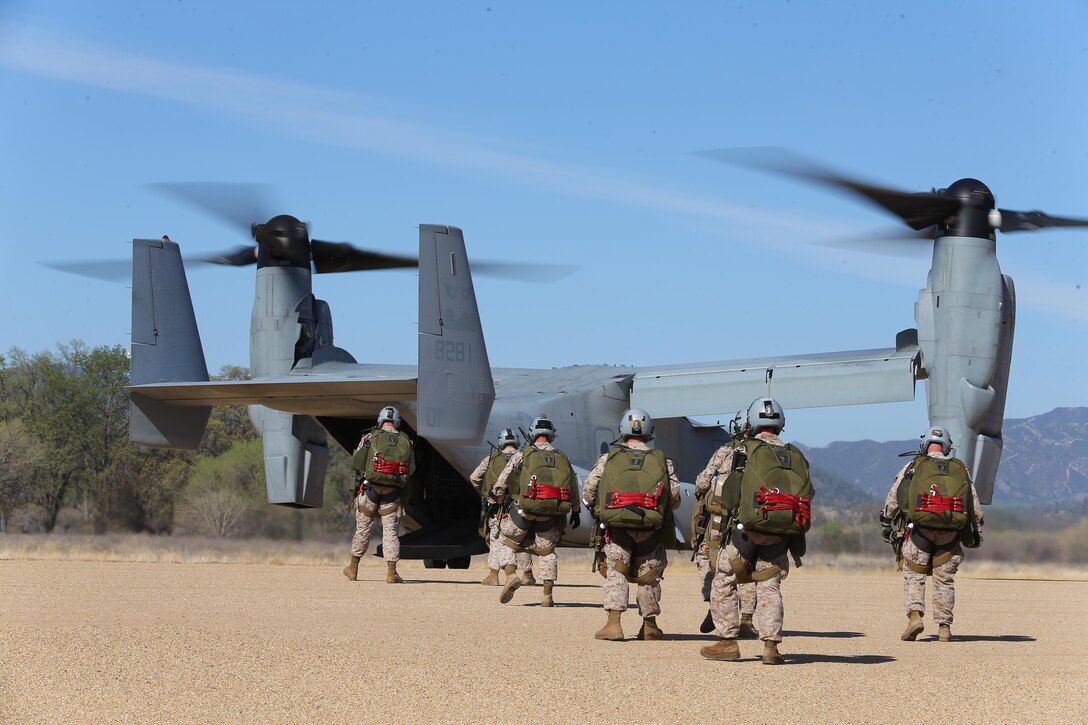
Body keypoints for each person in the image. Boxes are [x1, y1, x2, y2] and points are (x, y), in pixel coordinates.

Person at [699, 397, 813, 665]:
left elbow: (718, 487)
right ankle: (771, 647)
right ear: (780, 425)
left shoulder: (742, 450)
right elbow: (809, 493)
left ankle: (727, 641)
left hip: (745, 529)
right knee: (769, 585)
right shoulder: (795, 455)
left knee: (724, 578)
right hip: (781, 532)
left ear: (750, 422)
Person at [583, 408, 681, 641]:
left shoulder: (608, 459)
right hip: (651, 528)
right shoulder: (662, 461)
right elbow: (675, 497)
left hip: (616, 528)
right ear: (649, 432)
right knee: (649, 575)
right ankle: (649, 626)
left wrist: (599, 509)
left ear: (623, 431)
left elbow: (589, 490)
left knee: (616, 570)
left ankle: (613, 624)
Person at [881, 426, 984, 642]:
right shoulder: (960, 468)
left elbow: (894, 497)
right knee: (944, 581)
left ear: (925, 443)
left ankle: (915, 617)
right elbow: (973, 504)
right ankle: (944, 627)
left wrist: (887, 522)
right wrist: (977, 532)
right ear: (947, 447)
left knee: (914, 576)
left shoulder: (913, 466)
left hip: (920, 532)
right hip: (950, 535)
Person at [491, 414, 581, 607]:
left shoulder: (523, 454)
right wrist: (575, 510)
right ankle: (547, 595)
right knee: (547, 552)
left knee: (507, 543)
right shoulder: (562, 457)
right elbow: (573, 487)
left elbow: (503, 478)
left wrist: (495, 497)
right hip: (551, 512)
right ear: (552, 435)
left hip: (524, 510)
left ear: (532, 433)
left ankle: (510, 575)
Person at [694, 411, 759, 638]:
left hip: (721, 522)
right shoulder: (763, 454)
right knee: (749, 569)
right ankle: (747, 621)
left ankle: (717, 608)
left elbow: (702, 482)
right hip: (754, 521)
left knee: (710, 561)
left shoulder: (725, 451)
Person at [343, 405, 415, 584]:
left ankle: (353, 568)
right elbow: (411, 469)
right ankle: (392, 573)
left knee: (363, 529)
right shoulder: (407, 442)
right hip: (393, 493)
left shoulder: (368, 438)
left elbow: (357, 464)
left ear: (380, 420)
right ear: (397, 421)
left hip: (370, 490)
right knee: (390, 533)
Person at [468, 428, 536, 586]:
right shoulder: (523, 458)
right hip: (519, 507)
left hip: (496, 508)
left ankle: (493, 575)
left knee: (496, 539)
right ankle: (527, 574)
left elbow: (474, 478)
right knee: (521, 540)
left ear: (500, 441)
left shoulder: (490, 459)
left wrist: (485, 494)